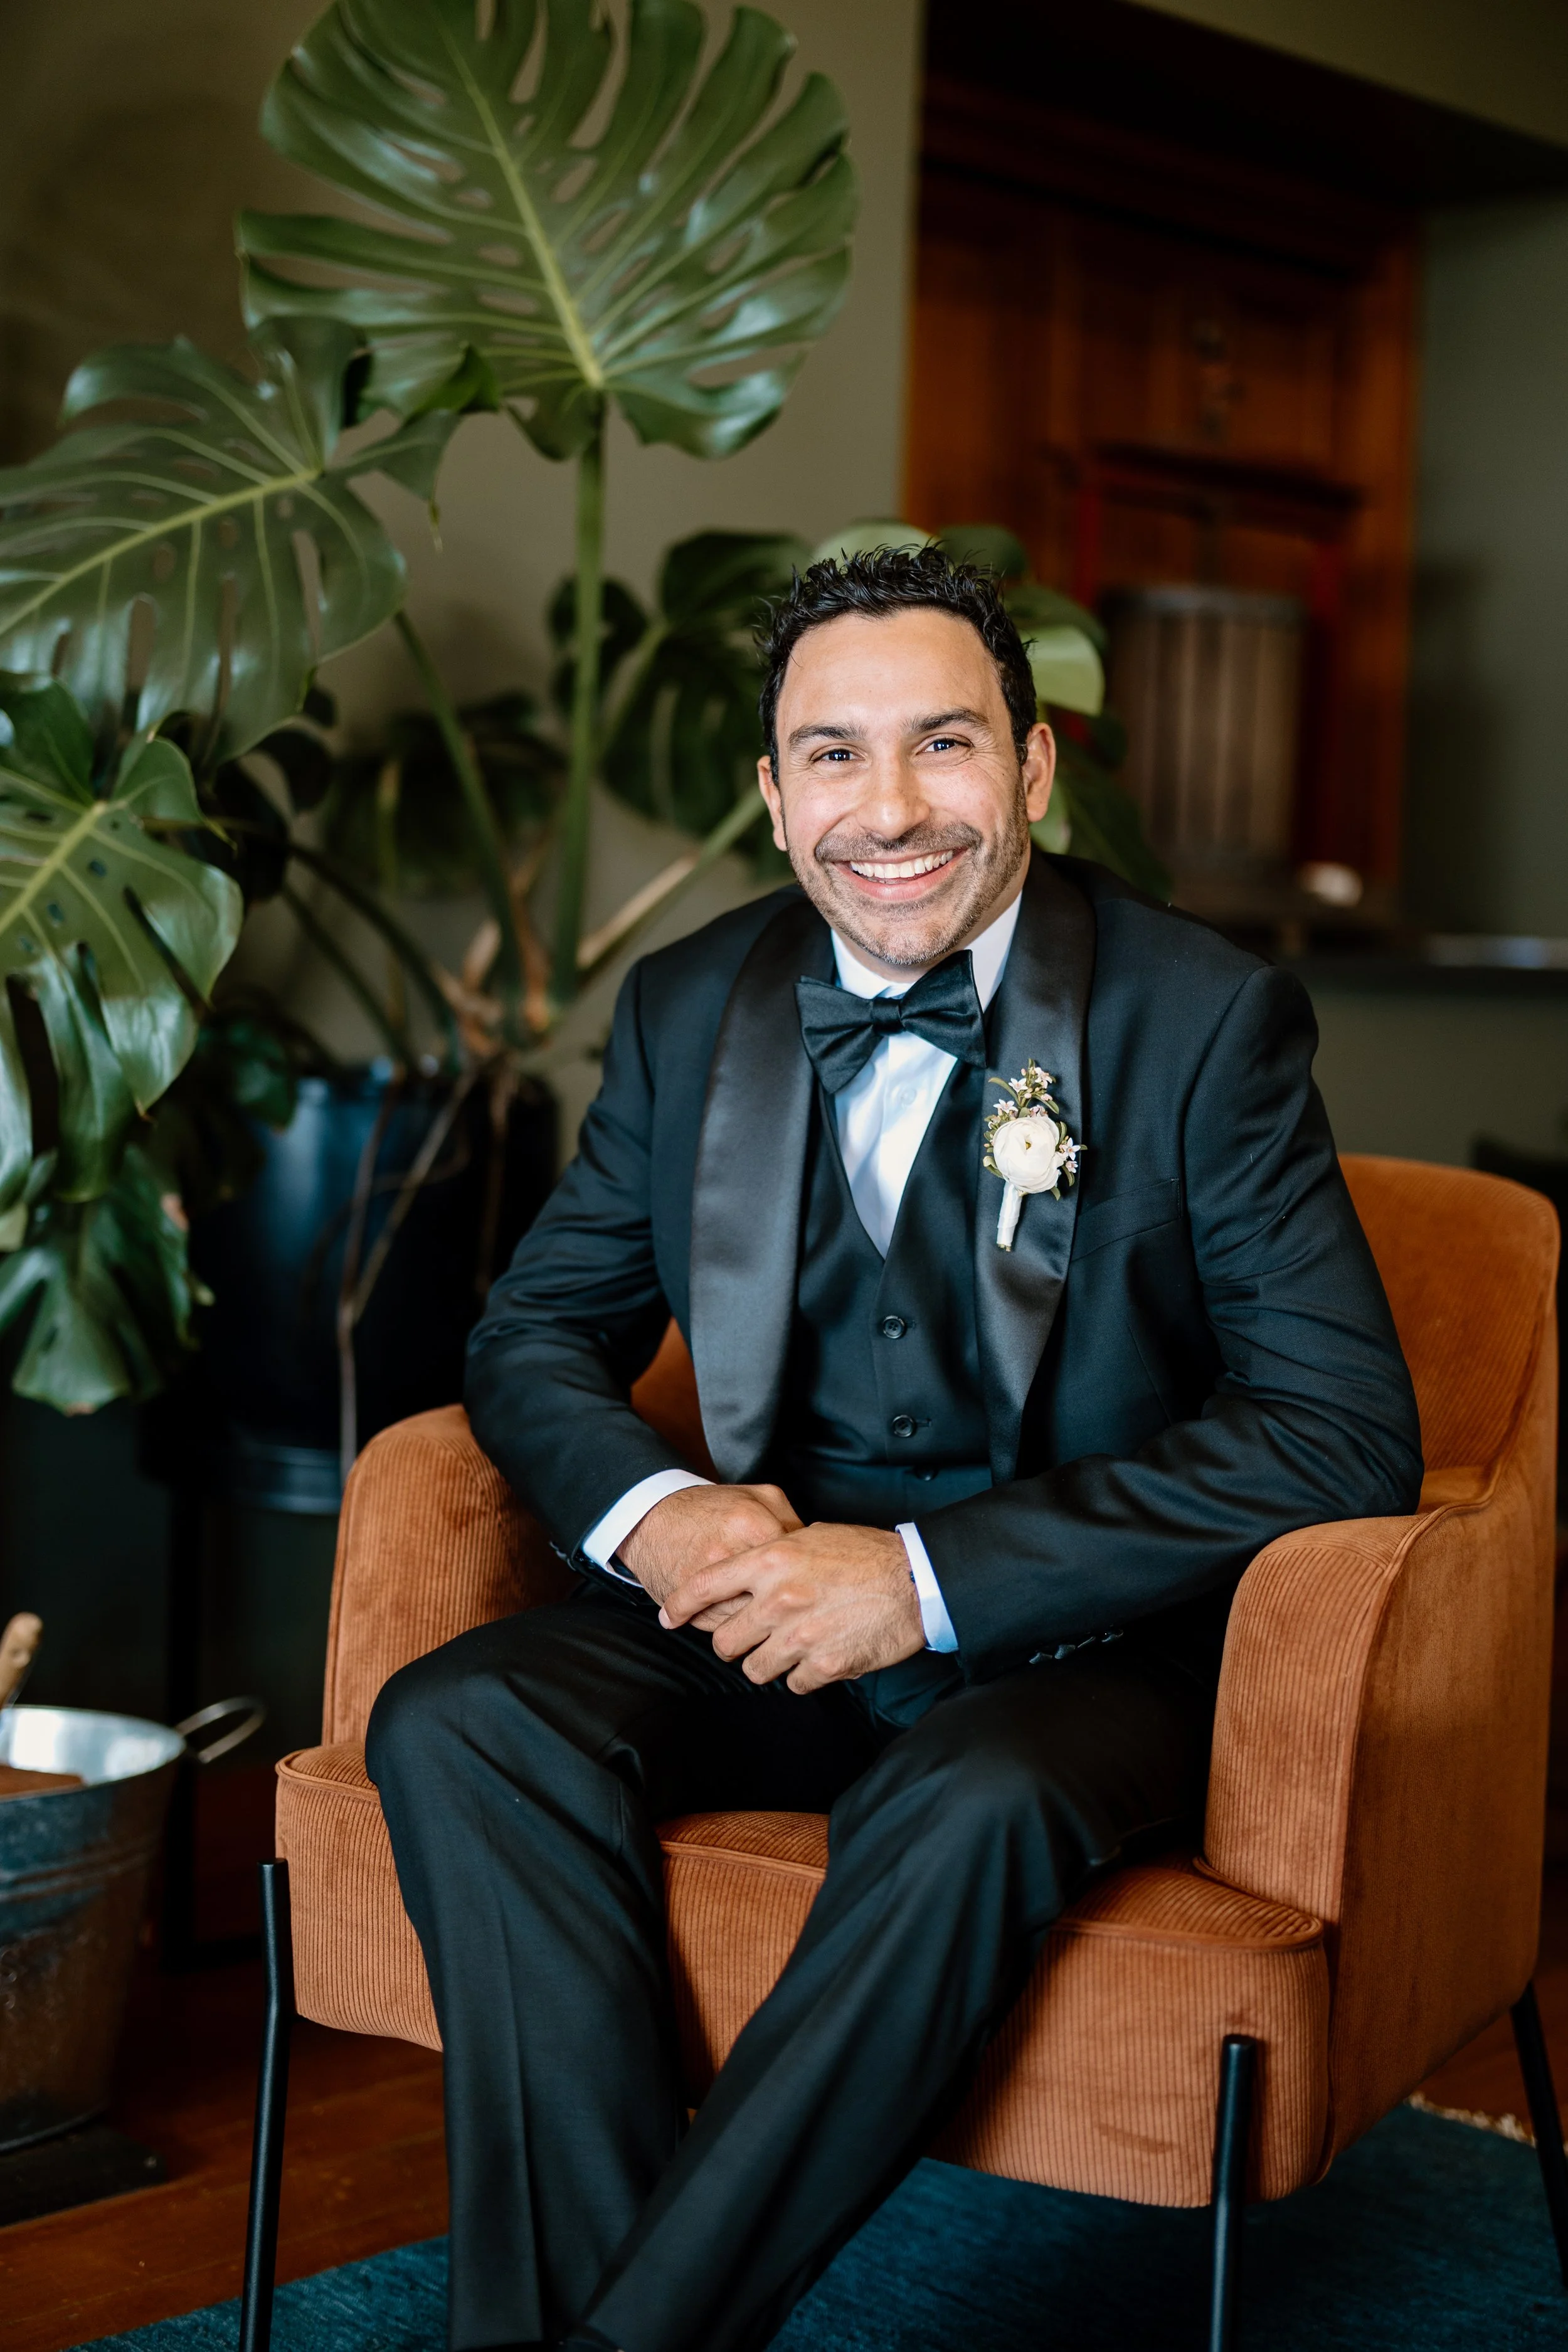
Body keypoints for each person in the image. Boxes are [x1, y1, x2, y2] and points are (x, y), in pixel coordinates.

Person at [367, 547, 1422, 2352]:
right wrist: (665, 1513)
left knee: (970, 1798)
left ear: (1029, 768)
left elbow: (1339, 1429)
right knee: (460, 1714)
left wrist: (925, 1583)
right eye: (832, 756)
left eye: (941, 743)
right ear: (773, 794)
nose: (890, 808)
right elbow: (532, 1332)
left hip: (1078, 1649)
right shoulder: (692, 1003)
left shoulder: (1197, 1021)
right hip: (764, 1610)